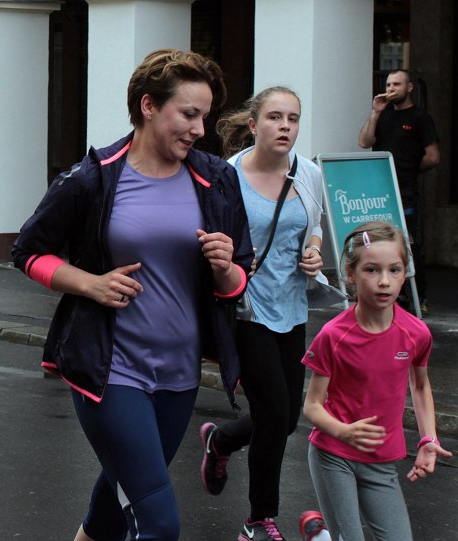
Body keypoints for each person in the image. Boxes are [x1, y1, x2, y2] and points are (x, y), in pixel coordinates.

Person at [12, 48, 253, 541]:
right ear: (149, 106)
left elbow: (236, 282)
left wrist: (225, 267)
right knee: (159, 522)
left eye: (204, 117)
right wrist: (90, 283)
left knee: (113, 506)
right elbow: (28, 251)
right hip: (111, 371)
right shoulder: (94, 177)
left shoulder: (217, 179)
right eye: (188, 114)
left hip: (180, 374)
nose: (199, 129)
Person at [199, 86, 326, 541]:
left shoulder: (308, 173)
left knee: (287, 418)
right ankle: (259, 520)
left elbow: (314, 226)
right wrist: (230, 260)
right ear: (254, 125)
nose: (285, 126)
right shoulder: (228, 176)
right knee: (273, 413)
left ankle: (222, 440)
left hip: (292, 308)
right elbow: (208, 236)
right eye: (275, 117)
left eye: (293, 119)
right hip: (246, 309)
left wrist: (314, 252)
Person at [302, 221, 452, 541]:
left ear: (404, 273)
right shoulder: (333, 335)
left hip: (381, 461)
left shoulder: (416, 333)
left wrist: (428, 439)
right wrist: (343, 431)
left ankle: (319, 536)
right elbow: (312, 406)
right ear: (351, 274)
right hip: (333, 454)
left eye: (394, 270)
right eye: (371, 270)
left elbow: (420, 386)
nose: (384, 281)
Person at [358, 69, 440, 315]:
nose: (391, 89)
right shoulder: (383, 116)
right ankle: (390, 294)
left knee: (407, 242)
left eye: (397, 84)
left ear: (409, 88)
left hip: (404, 189)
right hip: (378, 190)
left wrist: (409, 169)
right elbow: (364, 142)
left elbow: (433, 157)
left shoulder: (420, 118)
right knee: (380, 240)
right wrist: (375, 112)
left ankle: (418, 296)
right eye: (388, 84)